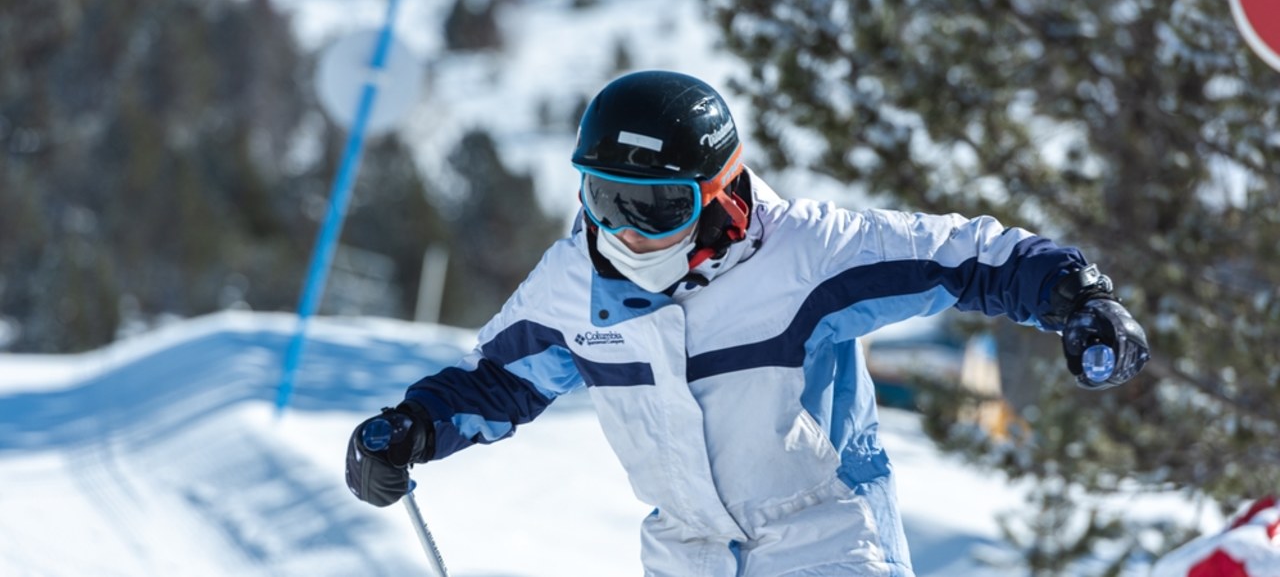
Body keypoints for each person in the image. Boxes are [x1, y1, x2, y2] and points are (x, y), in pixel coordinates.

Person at [345, 70, 1151, 576]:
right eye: (603, 199)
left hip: (827, 545)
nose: (623, 232)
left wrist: (1077, 295)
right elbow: (494, 381)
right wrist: (413, 426)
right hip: (687, 554)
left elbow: (969, 256)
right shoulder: (573, 282)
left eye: (655, 208)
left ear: (721, 196)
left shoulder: (807, 255)